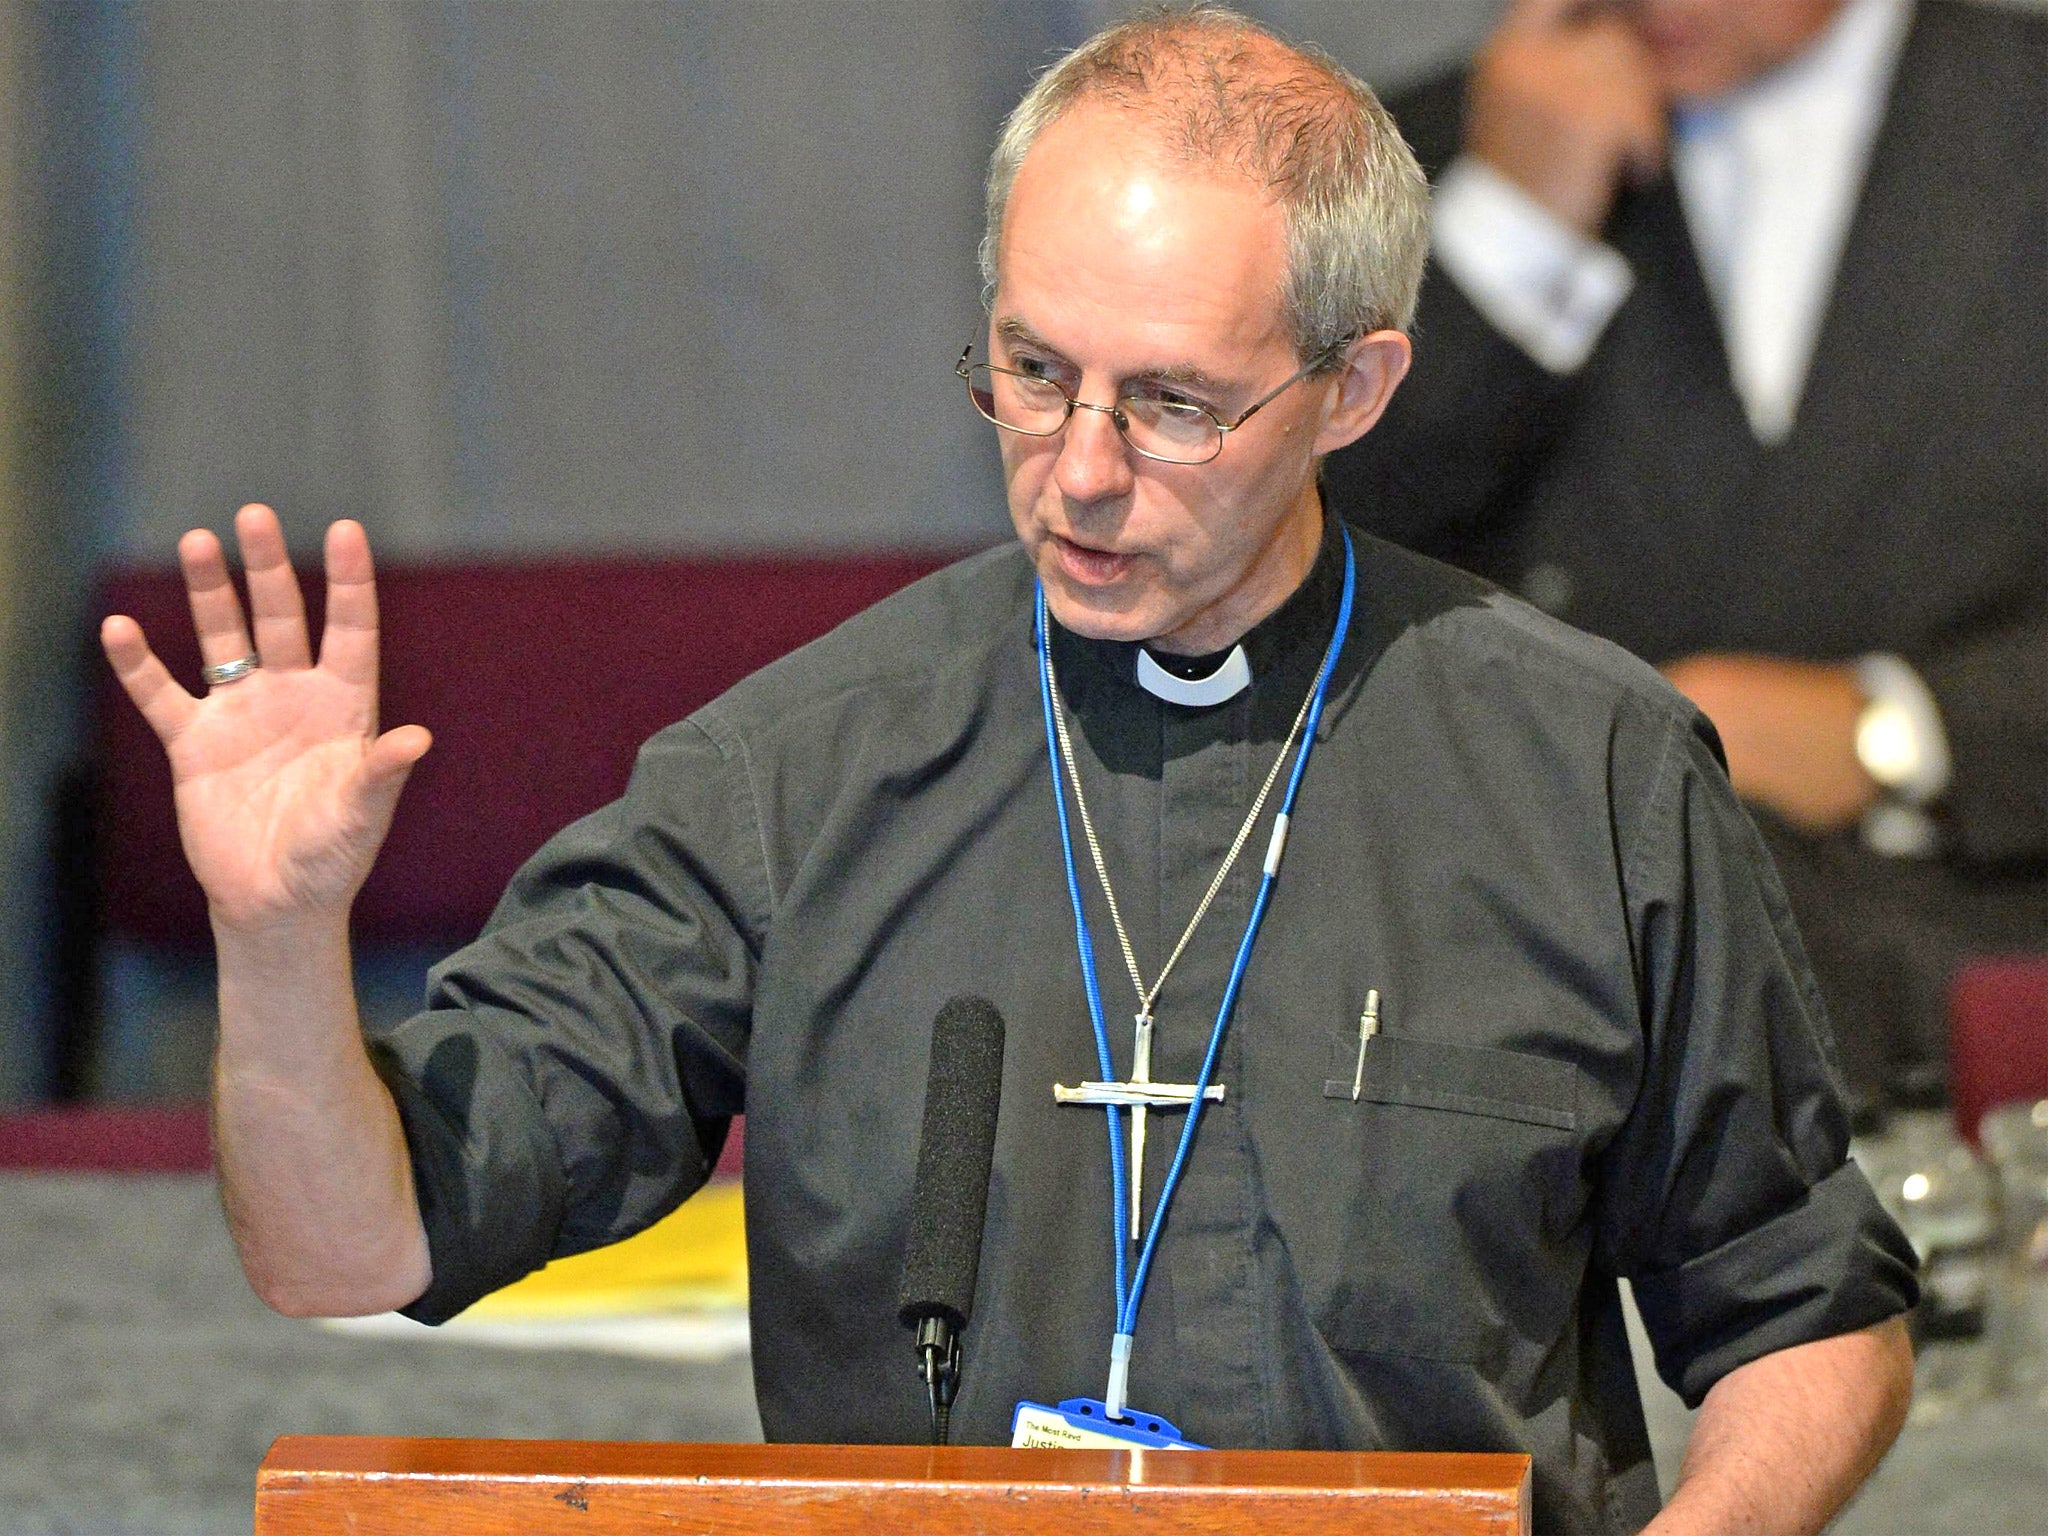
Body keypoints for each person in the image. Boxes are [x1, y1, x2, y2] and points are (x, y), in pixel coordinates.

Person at [101, 8, 1916, 1533]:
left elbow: (1802, 1311)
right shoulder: (791, 773)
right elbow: (348, 1251)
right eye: (1032, 371)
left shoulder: (1584, 764)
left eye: (1173, 402)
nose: (1080, 469)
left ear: (1353, 390)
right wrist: (276, 936)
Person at [1322, 0, 2048, 1113]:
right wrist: (1507, 239)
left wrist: (1899, 730)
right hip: (1555, 1041)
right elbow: (1283, 579)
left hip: (1986, 998)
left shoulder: (2013, 106)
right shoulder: (1400, 164)